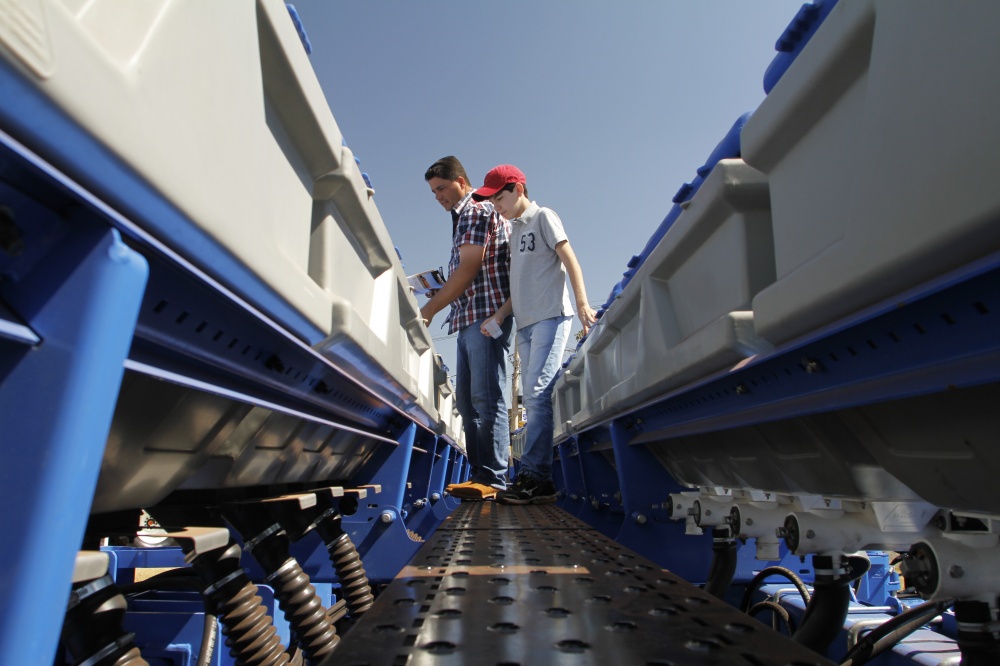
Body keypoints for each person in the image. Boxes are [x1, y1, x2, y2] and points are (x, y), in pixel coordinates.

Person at [473, 165, 597, 505]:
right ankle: (535, 474)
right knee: (533, 393)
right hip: (526, 325)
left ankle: (537, 477)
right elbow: (520, 285)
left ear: (518, 188)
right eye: (493, 199)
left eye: (500, 196)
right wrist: (499, 315)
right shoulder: (514, 233)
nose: (496, 204)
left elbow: (569, 259)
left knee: (538, 391)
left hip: (552, 317)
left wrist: (583, 304)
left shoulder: (543, 217)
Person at [421, 156, 513, 501]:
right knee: (469, 402)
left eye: (442, 188)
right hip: (468, 315)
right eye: (433, 192)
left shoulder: (474, 209)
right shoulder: (465, 215)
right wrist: (440, 290)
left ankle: (493, 478)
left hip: (485, 315)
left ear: (461, 181)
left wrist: (429, 308)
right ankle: (480, 475)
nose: (438, 197)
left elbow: (470, 267)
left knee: (486, 398)